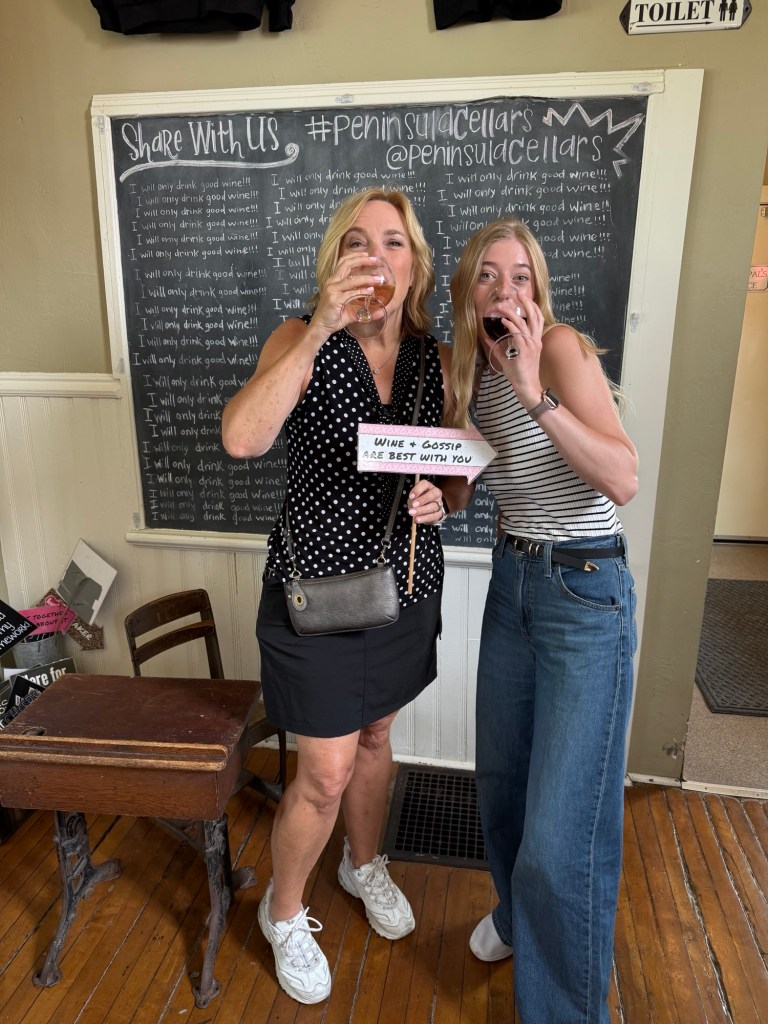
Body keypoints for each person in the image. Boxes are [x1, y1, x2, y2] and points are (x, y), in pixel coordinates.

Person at [221, 187, 451, 1005]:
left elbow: (449, 477)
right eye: (357, 243)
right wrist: (320, 326)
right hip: (316, 599)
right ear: (335, 261)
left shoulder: (434, 357)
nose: (376, 257)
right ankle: (283, 914)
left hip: (402, 590)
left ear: (413, 263)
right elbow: (243, 438)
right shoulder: (299, 336)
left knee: (379, 736)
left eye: (393, 242)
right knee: (323, 769)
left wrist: (441, 498)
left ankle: (364, 865)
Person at [444, 218, 639, 1023]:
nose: (505, 291)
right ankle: (519, 917)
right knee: (503, 790)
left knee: (564, 838)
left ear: (538, 288)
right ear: (467, 291)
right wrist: (436, 472)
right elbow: (464, 493)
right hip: (513, 582)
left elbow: (622, 477)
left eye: (520, 276)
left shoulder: (558, 350)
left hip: (584, 592)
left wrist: (535, 393)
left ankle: (563, 1009)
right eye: (488, 276)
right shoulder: (467, 374)